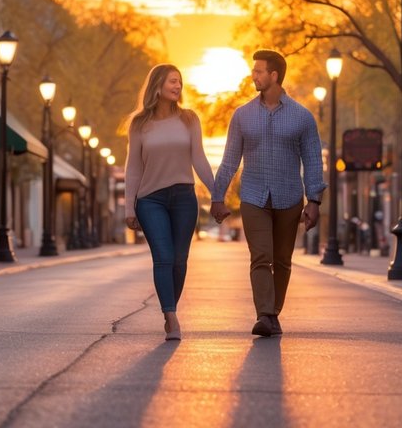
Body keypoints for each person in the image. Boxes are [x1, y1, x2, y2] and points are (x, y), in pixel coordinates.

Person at [211, 49, 325, 337]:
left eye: (259, 71)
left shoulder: (302, 117)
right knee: (260, 256)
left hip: (289, 197)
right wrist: (217, 196)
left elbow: (313, 160)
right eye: (254, 70)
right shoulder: (242, 116)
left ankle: (272, 313)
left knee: (283, 260)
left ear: (274, 75)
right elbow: (229, 160)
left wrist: (314, 201)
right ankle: (264, 314)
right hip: (253, 197)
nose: (254, 75)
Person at [124, 64, 216, 341]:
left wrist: (217, 192)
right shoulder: (140, 124)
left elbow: (199, 158)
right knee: (163, 258)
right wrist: (130, 207)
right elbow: (133, 168)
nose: (178, 86)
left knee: (180, 260)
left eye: (180, 82)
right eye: (173, 81)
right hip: (150, 200)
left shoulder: (189, 119)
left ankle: (169, 307)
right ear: (158, 85)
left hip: (184, 198)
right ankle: (171, 317)